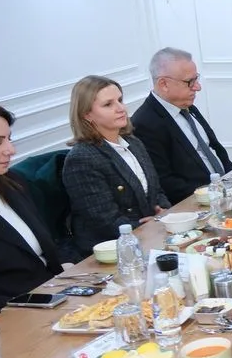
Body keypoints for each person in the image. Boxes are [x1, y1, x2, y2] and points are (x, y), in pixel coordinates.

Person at [62, 76, 170, 257]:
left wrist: (165, 211)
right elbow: (105, 221)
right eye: (108, 104)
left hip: (150, 234)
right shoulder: (82, 158)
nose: (121, 108)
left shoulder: (133, 142)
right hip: (114, 251)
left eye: (120, 100)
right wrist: (152, 225)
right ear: (86, 115)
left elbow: (156, 189)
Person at [0, 101, 64, 319]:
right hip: (9, 318)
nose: (11, 150)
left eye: (9, 139)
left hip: (54, 296)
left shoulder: (12, 183)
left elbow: (47, 250)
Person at [131, 47, 232, 204]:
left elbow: (216, 150)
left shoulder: (188, 107)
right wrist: (216, 195)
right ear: (164, 84)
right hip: (197, 203)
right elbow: (165, 182)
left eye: (196, 79)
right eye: (190, 82)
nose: (198, 87)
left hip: (226, 192)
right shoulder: (145, 123)